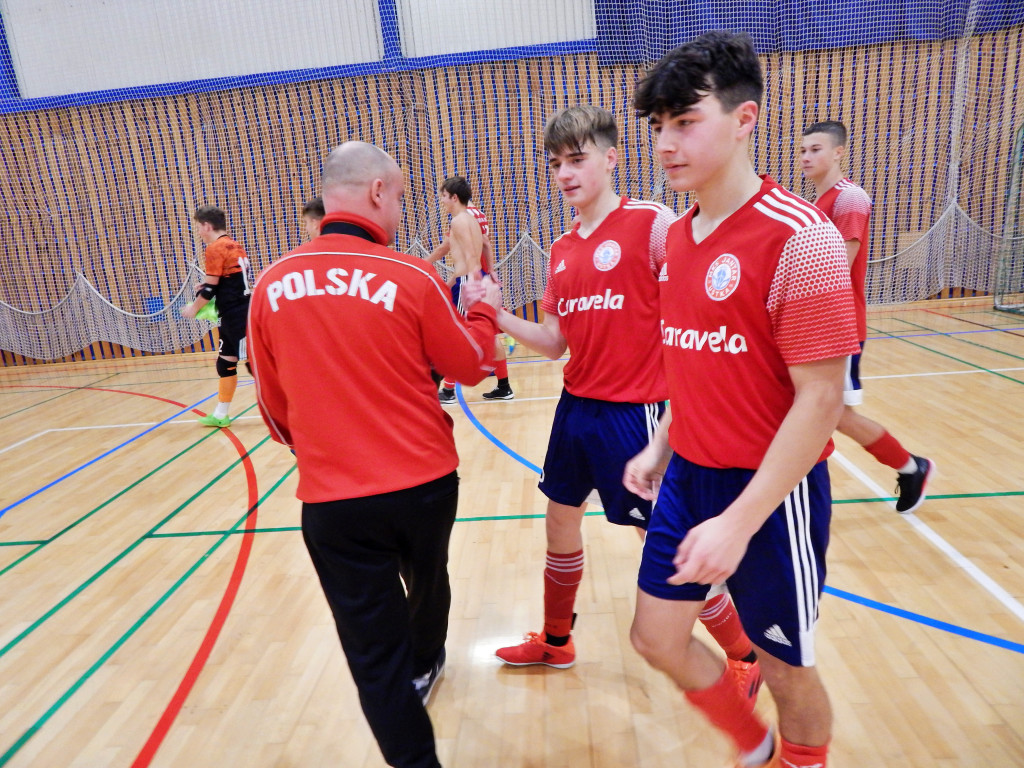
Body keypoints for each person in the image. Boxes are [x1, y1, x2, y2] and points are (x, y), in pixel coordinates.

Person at [625, 32, 861, 768]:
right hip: (690, 475)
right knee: (656, 636)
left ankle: (798, 757)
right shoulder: (675, 239)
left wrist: (737, 522)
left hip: (770, 493)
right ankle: (755, 746)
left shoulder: (802, 238)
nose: (666, 143)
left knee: (786, 665)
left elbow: (821, 399)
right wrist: (662, 443)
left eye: (685, 121)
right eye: (657, 126)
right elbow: (690, 357)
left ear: (745, 118)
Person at [246, 142, 502, 768]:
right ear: (379, 193)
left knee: (375, 666)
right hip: (425, 487)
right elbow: (469, 367)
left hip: (335, 503)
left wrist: (322, 447)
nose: (401, 211)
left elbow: (273, 409)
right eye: (402, 197)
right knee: (429, 575)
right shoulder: (410, 276)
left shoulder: (271, 285)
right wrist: (484, 312)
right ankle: (427, 656)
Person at [493, 105, 760, 698]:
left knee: (664, 546)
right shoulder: (560, 250)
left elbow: (695, 307)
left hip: (637, 414)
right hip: (576, 410)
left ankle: (743, 654)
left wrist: (683, 407)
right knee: (559, 522)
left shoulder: (652, 223)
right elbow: (556, 343)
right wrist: (499, 315)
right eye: (556, 163)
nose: (565, 173)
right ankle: (557, 641)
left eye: (577, 159)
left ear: (611, 158)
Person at [800, 120, 934, 513]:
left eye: (816, 149)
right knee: (822, 413)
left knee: (831, 414)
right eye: (804, 150)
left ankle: (911, 467)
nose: (807, 156)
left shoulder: (849, 198)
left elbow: (838, 266)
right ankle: (910, 467)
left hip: (837, 328)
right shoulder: (813, 206)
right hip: (817, 328)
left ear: (839, 152)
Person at [426, 176, 513, 402]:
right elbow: (484, 245)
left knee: (455, 333)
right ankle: (503, 386)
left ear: (454, 197)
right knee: (489, 334)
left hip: (469, 280)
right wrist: (489, 273)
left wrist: (471, 280)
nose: (442, 200)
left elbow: (470, 257)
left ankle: (448, 389)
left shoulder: (458, 221)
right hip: (472, 277)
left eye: (444, 196)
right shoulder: (473, 218)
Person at [181, 205, 252, 428]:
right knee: (225, 364)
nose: (199, 232)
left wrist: (194, 308)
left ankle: (292, 408)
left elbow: (210, 291)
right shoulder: (233, 244)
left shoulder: (215, 248)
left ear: (207, 226)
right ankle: (221, 415)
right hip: (233, 314)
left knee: (256, 366)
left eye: (198, 227)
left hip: (238, 315)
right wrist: (209, 285)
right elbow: (231, 280)